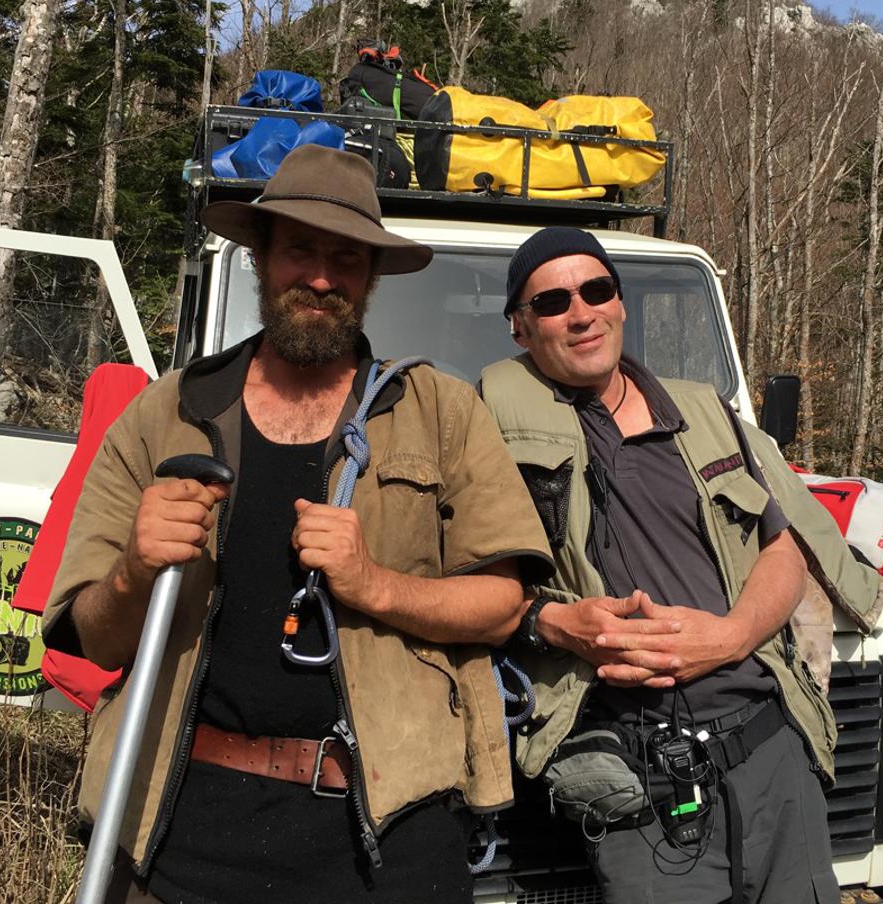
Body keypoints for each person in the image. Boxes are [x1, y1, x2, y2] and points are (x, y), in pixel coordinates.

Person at [43, 145, 553, 904]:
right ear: (259, 255)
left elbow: (503, 605)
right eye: (300, 250)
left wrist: (373, 585)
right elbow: (94, 638)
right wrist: (133, 571)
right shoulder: (166, 412)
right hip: (175, 831)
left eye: (346, 258)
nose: (321, 277)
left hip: (389, 844)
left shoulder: (442, 412)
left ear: (371, 276)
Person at [480, 227, 883, 904]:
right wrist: (552, 623)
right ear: (520, 328)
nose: (581, 313)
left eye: (596, 290)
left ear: (620, 303)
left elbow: (783, 547)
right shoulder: (485, 426)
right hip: (636, 773)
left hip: (769, 748)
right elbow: (459, 583)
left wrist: (730, 637)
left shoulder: (704, 413)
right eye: (552, 302)